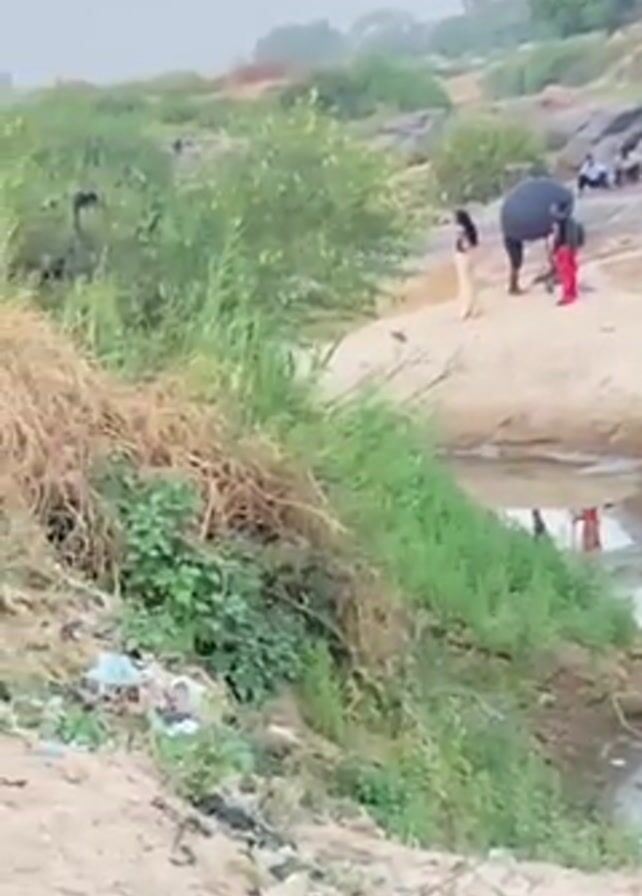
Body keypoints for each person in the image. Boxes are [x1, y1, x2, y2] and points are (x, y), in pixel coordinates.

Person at [550, 202, 584, 307]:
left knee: (566, 273)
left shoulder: (561, 222)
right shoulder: (570, 221)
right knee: (571, 272)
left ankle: (568, 296)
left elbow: (558, 238)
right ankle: (572, 293)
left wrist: (556, 250)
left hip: (564, 250)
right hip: (570, 249)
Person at [454, 209, 480, 320]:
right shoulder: (472, 227)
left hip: (462, 256)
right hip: (472, 255)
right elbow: (475, 243)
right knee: (472, 281)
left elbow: (464, 245)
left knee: (464, 282)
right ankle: (475, 307)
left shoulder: (460, 229)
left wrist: (463, 247)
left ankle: (466, 308)